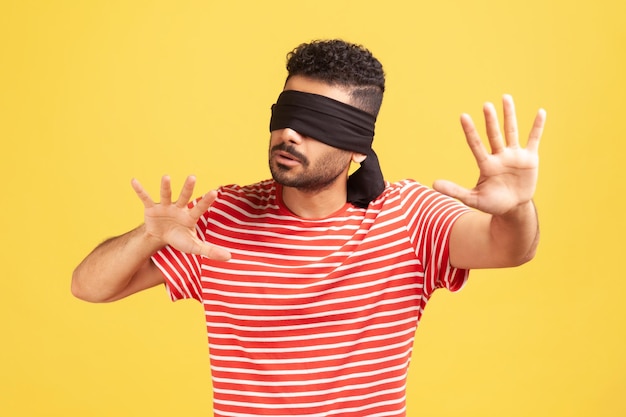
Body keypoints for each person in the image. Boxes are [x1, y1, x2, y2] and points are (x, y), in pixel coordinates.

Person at [72, 39, 546, 417]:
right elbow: (89, 287)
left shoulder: (407, 217)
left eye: (318, 123)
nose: (290, 134)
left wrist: (516, 208)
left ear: (358, 148)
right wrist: (148, 236)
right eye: (287, 115)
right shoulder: (218, 217)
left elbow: (508, 247)